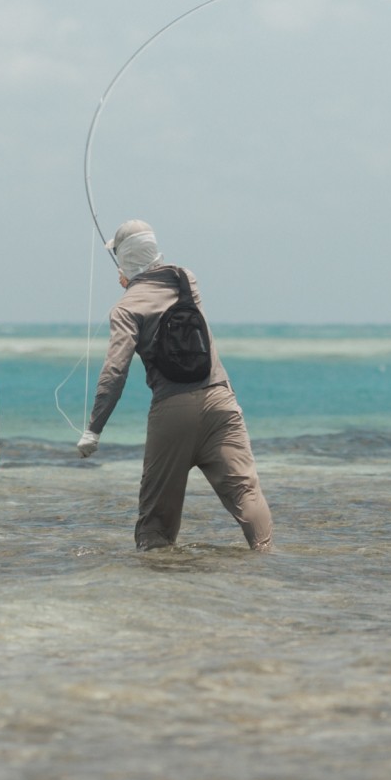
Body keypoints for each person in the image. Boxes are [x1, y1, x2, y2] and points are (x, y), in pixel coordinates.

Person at [76, 220, 272, 551]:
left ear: (122, 261)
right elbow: (159, 280)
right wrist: (136, 280)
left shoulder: (126, 308)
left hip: (172, 412)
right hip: (221, 401)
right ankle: (267, 567)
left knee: (155, 525)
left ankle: (158, 595)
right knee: (245, 493)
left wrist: (94, 429)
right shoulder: (187, 280)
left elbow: (115, 371)